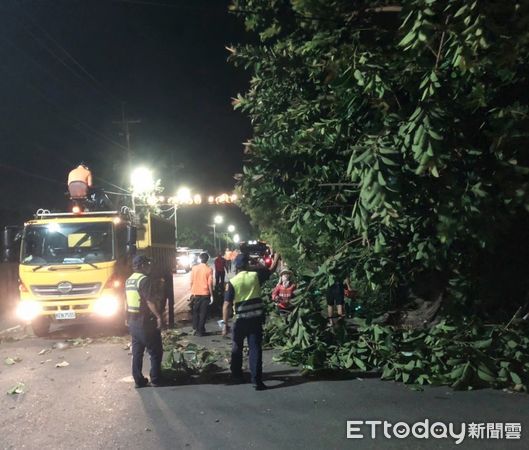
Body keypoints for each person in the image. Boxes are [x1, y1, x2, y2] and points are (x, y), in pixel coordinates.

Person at [222, 251, 280, 391]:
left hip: (240, 321)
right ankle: (257, 381)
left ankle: (237, 376)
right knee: (255, 349)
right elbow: (271, 269)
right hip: (255, 320)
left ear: (236, 266)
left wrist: (225, 324)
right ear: (248, 263)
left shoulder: (233, 282)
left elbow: (227, 305)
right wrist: (277, 256)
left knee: (237, 347)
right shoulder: (255, 276)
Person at [126, 255, 164, 388]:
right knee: (155, 350)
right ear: (142, 266)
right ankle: (156, 379)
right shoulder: (144, 280)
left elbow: (126, 301)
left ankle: (138, 380)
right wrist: (159, 316)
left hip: (132, 321)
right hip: (145, 321)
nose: (149, 266)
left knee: (137, 352)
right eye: (147, 263)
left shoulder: (129, 280)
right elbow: (150, 301)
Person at [190, 252, 213, 336]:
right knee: (203, 313)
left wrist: (192, 292)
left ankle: (195, 328)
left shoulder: (194, 268)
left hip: (196, 293)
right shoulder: (209, 269)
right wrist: (212, 295)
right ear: (207, 260)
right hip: (205, 293)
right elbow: (209, 283)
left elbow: (191, 281)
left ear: (200, 259)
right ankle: (201, 330)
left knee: (195, 311)